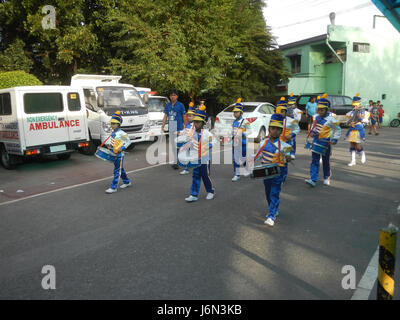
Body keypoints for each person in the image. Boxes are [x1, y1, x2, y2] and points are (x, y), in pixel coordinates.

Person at [252, 113, 292, 227]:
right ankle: (273, 209)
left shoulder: (285, 146)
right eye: (272, 128)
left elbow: (288, 159)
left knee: (275, 193)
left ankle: (271, 215)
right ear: (269, 129)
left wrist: (288, 157)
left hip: (277, 173)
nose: (274, 131)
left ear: (281, 131)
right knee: (268, 192)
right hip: (265, 172)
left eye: (277, 129)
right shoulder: (262, 142)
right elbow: (258, 155)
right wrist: (249, 162)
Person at [179, 104, 216, 202]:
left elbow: (214, 141)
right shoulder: (192, 133)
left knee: (205, 175)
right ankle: (194, 194)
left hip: (204, 159)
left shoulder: (207, 133)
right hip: (195, 158)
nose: (196, 123)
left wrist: (207, 146)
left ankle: (210, 191)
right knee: (195, 175)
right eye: (195, 121)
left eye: (198, 122)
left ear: (203, 123)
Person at [305, 93, 341, 187]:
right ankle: (313, 179)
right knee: (314, 160)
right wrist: (312, 132)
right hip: (316, 142)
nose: (320, 111)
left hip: (326, 143)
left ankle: (326, 176)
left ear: (326, 109)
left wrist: (335, 139)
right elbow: (314, 127)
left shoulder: (332, 119)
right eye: (318, 109)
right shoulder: (316, 117)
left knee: (325, 161)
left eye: (322, 109)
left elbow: (338, 129)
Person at [105, 111, 132, 194]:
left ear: (119, 124)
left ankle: (113, 187)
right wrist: (110, 146)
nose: (112, 125)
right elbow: (114, 142)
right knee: (120, 169)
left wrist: (122, 148)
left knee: (117, 171)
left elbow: (128, 141)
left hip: (119, 155)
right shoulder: (113, 132)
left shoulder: (122, 133)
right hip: (114, 153)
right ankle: (127, 182)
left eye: (114, 123)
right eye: (111, 123)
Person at [275, 97, 299, 183]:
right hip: (276, 143)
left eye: (282, 111)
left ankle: (283, 177)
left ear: (286, 111)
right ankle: (277, 176)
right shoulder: (274, 120)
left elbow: (297, 129)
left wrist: (291, 135)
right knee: (277, 160)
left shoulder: (291, 121)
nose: (280, 113)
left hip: (287, 143)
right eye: (278, 111)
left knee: (284, 161)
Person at [161, 89, 186, 169]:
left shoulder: (181, 105)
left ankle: (179, 161)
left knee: (179, 144)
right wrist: (162, 126)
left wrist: (185, 125)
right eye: (171, 95)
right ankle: (176, 161)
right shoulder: (168, 105)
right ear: (169, 96)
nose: (172, 96)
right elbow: (165, 116)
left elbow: (183, 116)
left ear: (177, 96)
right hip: (172, 126)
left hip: (179, 127)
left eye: (174, 95)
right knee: (173, 145)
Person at [345, 93, 368, 166]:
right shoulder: (350, 113)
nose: (354, 106)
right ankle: (353, 160)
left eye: (356, 105)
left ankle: (362, 153)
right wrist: (349, 123)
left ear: (359, 104)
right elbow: (347, 122)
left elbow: (366, 121)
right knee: (352, 145)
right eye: (353, 105)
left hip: (359, 129)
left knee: (357, 145)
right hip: (352, 130)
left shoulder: (364, 112)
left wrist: (360, 118)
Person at [231, 98, 251, 182]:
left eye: (236, 112)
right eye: (234, 112)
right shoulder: (234, 122)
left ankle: (247, 169)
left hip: (242, 142)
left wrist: (242, 134)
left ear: (241, 113)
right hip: (235, 143)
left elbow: (250, 131)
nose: (235, 114)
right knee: (235, 158)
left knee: (243, 158)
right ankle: (237, 174)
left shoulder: (245, 121)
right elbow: (232, 131)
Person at [178, 102, 196, 175]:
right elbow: (184, 131)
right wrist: (179, 132)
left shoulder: (196, 125)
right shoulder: (187, 125)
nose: (188, 117)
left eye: (190, 116)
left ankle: (197, 168)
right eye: (188, 116)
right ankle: (186, 169)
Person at [286, 93, 302, 160]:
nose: (290, 105)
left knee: (293, 140)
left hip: (294, 128)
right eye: (289, 104)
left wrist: (293, 114)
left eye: (292, 104)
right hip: (288, 127)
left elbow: (298, 119)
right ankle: (287, 152)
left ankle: (292, 153)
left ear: (294, 103)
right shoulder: (286, 109)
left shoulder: (298, 111)